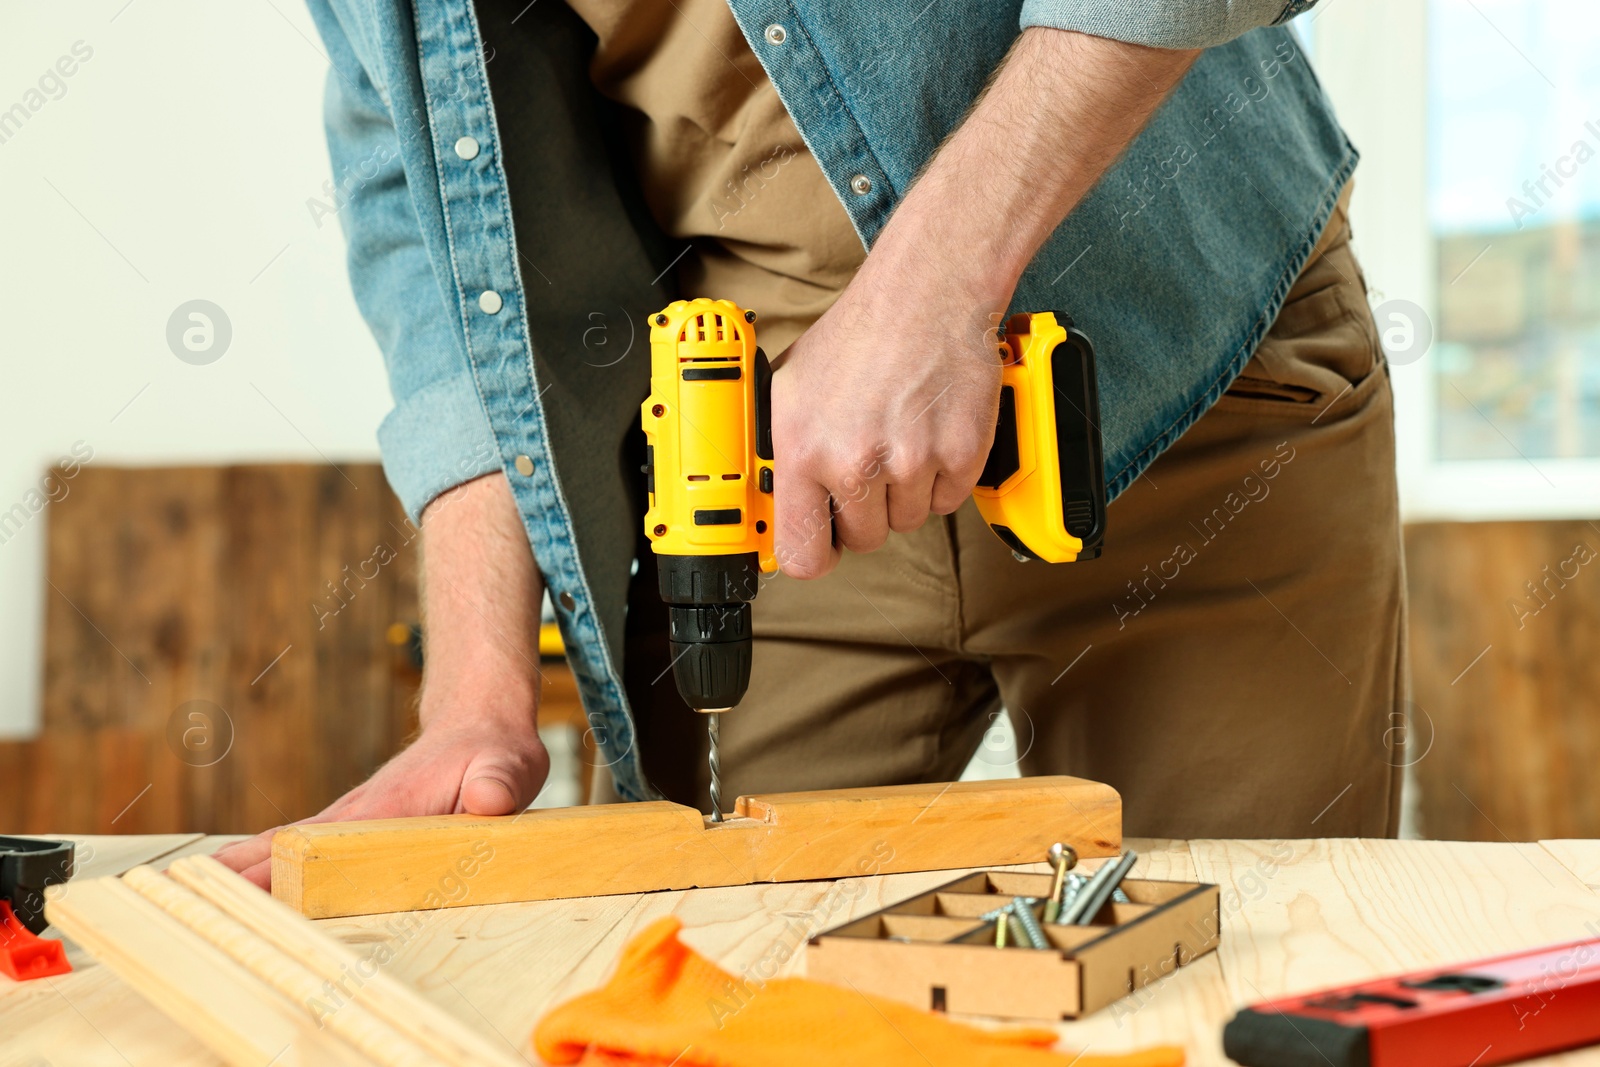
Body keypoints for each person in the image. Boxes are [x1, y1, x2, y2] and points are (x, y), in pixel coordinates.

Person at [217, 0, 1405, 888]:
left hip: (1168, 362)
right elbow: (430, 207)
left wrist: (929, 289)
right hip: (763, 479)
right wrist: (477, 694)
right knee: (715, 971)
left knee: (1232, 951)